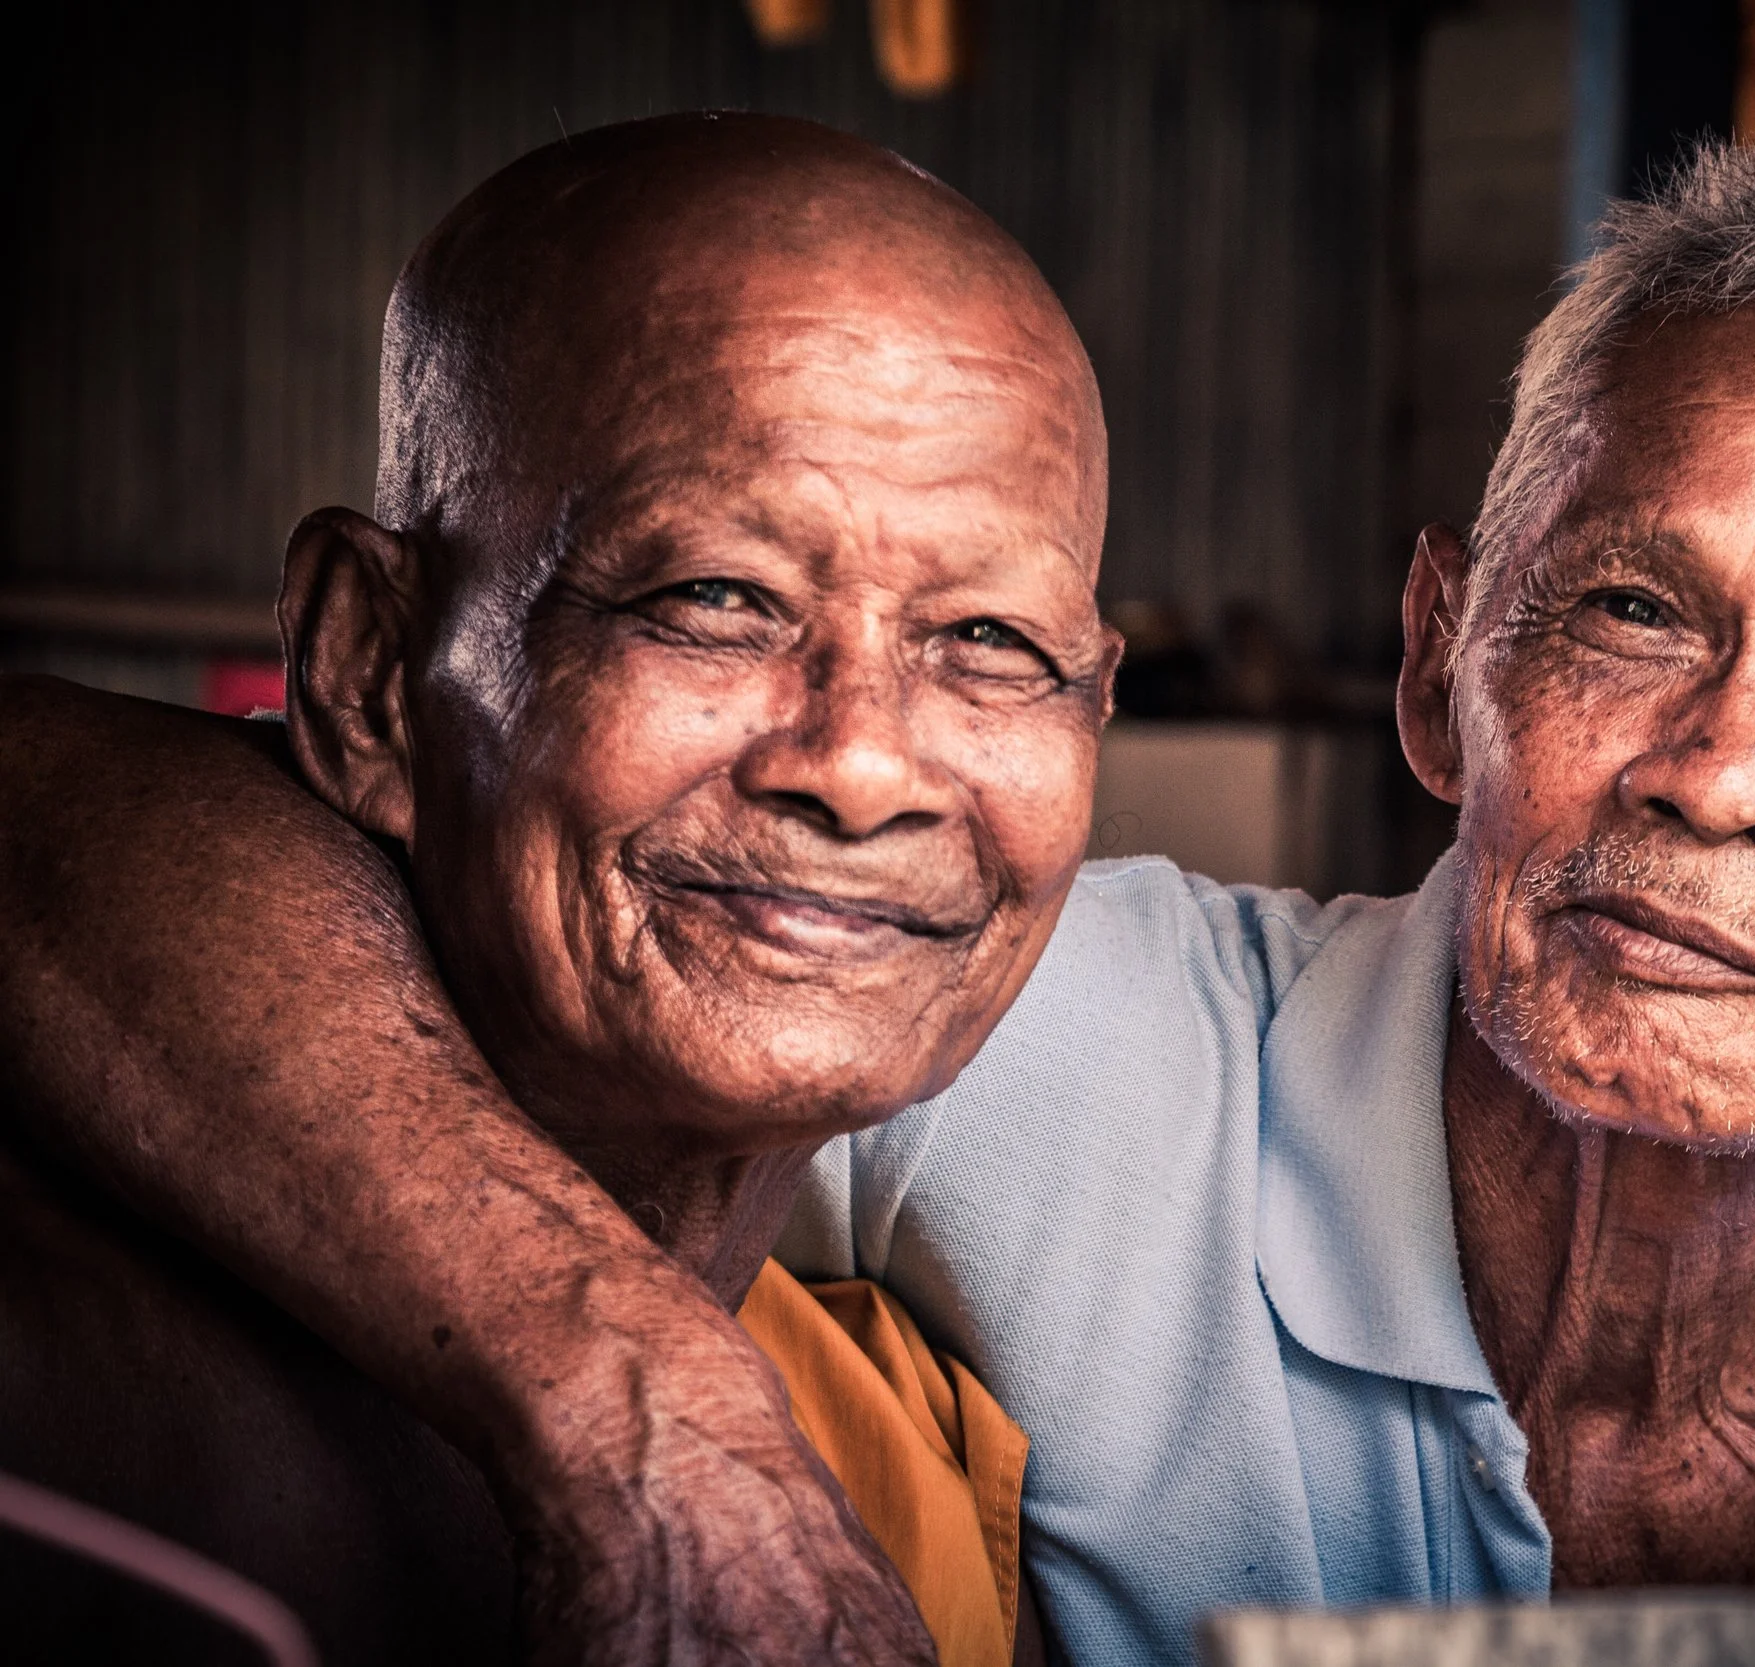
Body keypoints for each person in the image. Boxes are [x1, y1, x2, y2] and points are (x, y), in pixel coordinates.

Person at [0, 125, 1755, 1666]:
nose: (1722, 773)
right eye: (1625, 611)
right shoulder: (1014, 1006)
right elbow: (92, 818)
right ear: (1438, 660)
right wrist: (631, 1388)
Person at [0, 111, 1120, 1667]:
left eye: (995, 641)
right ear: (371, 669)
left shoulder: (897, 1464)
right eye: (713, 597)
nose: (865, 766)